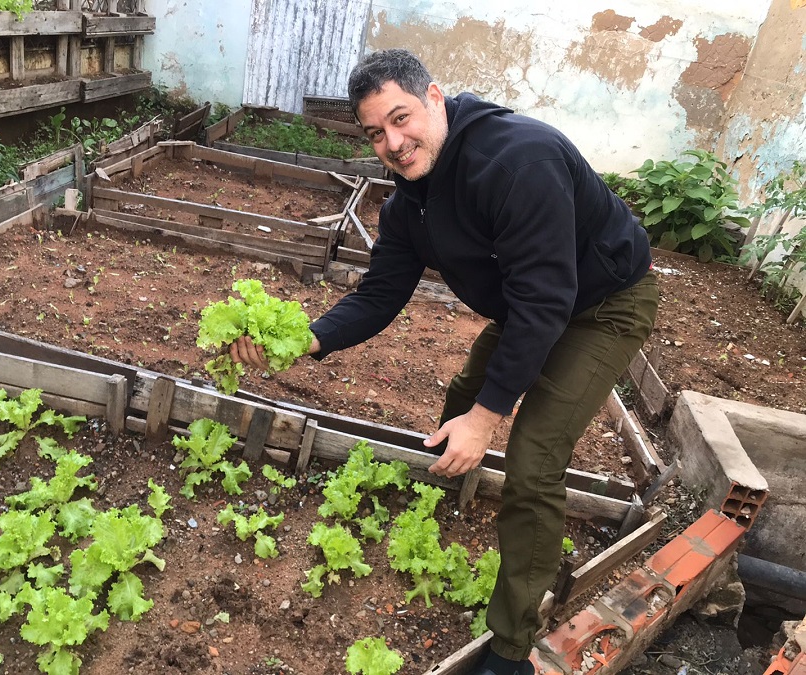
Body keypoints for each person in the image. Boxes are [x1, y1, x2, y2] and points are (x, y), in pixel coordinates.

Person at [231, 48, 658, 675]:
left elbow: (546, 301)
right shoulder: (409, 203)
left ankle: (511, 645)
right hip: (536, 301)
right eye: (376, 132)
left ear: (435, 98)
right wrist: (302, 340)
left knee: (535, 457)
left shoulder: (517, 160)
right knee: (463, 395)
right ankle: (447, 503)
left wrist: (491, 417)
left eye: (401, 119)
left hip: (605, 303)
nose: (394, 143)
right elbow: (379, 295)